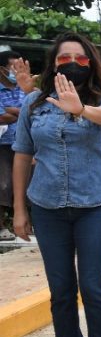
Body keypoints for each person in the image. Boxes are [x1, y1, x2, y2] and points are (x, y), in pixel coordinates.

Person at [12, 32, 101, 337]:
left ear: (90, 63)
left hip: (96, 203)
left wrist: (80, 109)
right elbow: (23, 154)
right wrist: (19, 209)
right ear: (53, 63)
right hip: (47, 206)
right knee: (61, 289)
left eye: (80, 57)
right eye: (64, 58)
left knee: (91, 285)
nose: (72, 63)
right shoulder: (34, 103)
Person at [0, 50, 29, 241]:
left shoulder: (25, 88)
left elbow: (33, 110)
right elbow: (2, 117)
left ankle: (29, 225)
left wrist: (13, 112)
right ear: (2, 70)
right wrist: (21, 112)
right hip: (2, 144)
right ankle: (1, 227)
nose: (17, 71)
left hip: (25, 143)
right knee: (2, 185)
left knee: (27, 183)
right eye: (14, 67)